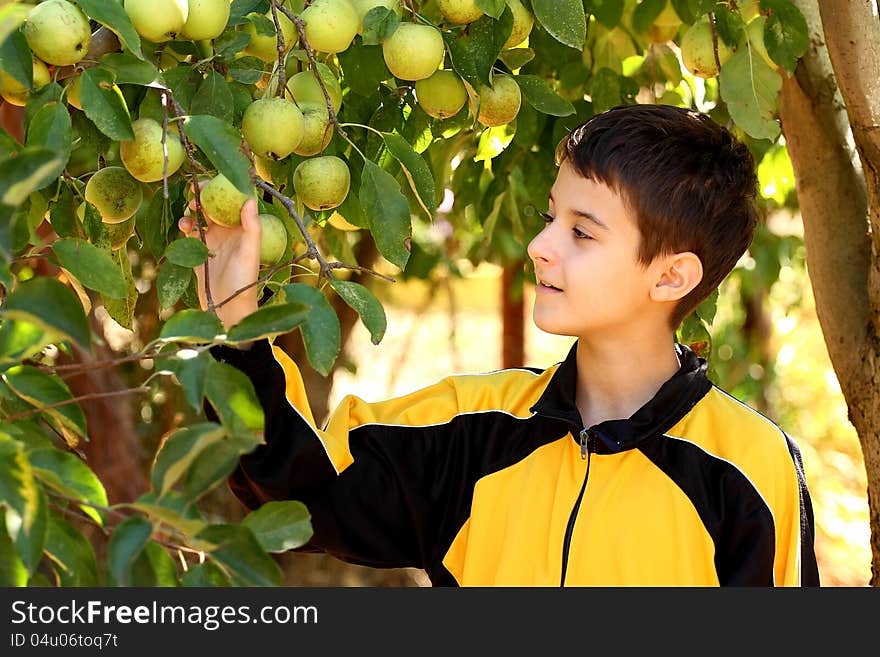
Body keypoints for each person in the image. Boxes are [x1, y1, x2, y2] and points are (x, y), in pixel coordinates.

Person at [178, 104, 820, 586]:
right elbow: (303, 495)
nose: (541, 246)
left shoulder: (752, 469)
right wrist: (234, 315)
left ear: (671, 275)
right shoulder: (469, 429)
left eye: (582, 232)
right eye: (550, 218)